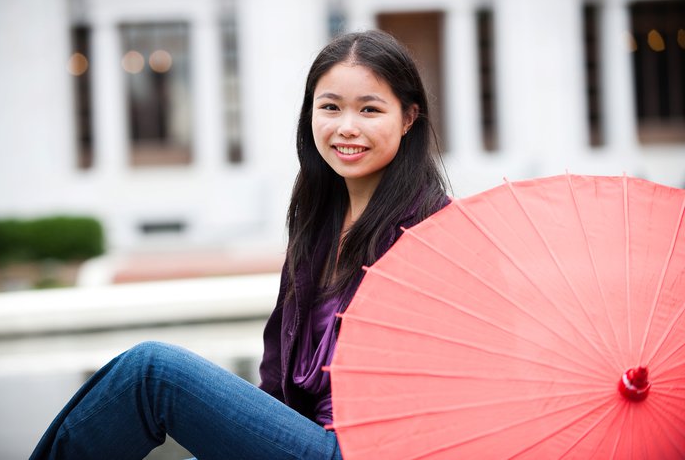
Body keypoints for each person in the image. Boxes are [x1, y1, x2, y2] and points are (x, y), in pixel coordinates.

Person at [30, 29, 450, 460]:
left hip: (363, 450)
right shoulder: (319, 222)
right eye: (330, 107)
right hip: (305, 437)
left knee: (151, 375)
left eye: (369, 109)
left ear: (408, 117)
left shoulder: (434, 237)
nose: (347, 127)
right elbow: (276, 375)